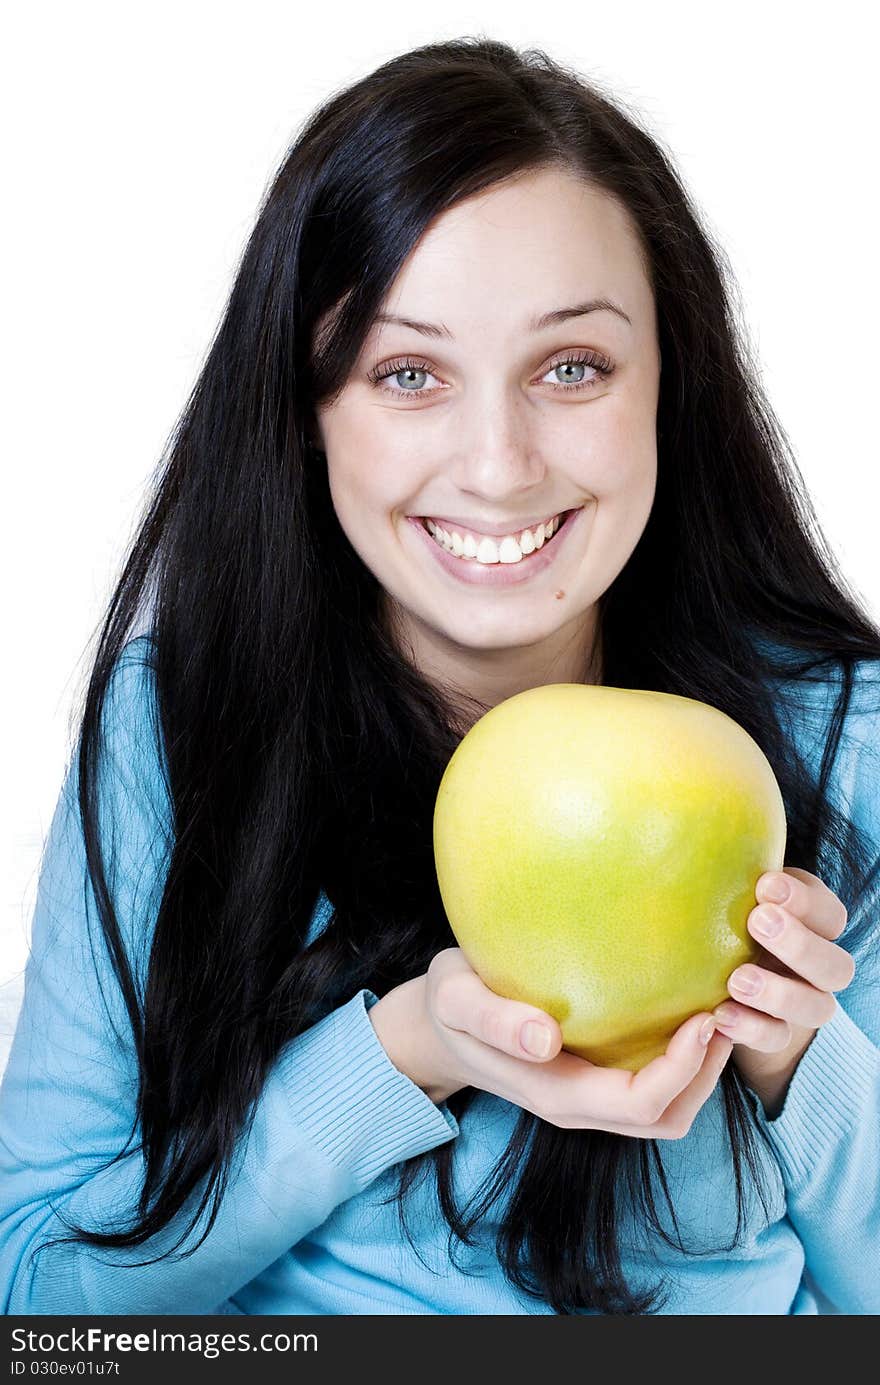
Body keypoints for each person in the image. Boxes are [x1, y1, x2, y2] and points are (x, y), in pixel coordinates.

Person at [1, 36, 878, 1318]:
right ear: (308, 409)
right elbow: (38, 1302)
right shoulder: (182, 731)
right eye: (407, 373)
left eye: (570, 366)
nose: (497, 462)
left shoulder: (835, 733)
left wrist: (797, 1056)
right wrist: (402, 1050)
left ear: (667, 387)